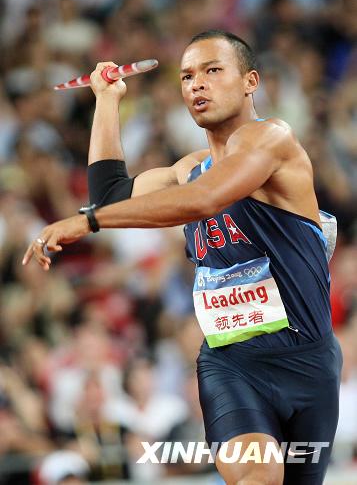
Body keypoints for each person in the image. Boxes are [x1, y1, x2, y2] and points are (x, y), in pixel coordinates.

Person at [23, 30, 342, 485]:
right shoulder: (186, 169)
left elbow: (205, 200)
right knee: (259, 475)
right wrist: (107, 101)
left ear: (251, 81)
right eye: (188, 75)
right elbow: (110, 196)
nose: (197, 84)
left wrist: (90, 222)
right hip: (232, 363)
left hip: (309, 365)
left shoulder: (273, 140)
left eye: (213, 71)